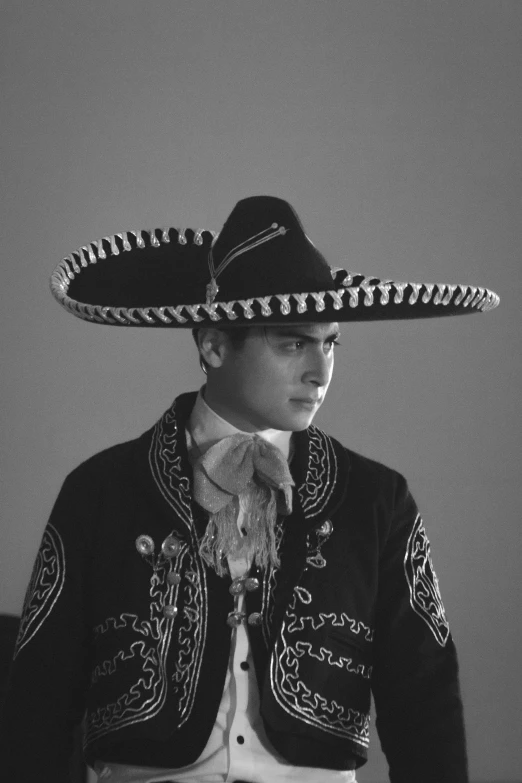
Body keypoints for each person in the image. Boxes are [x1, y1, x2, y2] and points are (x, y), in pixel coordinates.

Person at [0, 196, 500, 783]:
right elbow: (36, 705)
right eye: (293, 343)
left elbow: (426, 707)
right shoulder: (100, 492)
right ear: (213, 345)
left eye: (331, 342)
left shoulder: (377, 500)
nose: (321, 370)